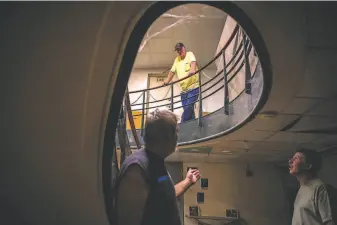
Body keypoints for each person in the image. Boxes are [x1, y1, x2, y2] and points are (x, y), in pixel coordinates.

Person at [115, 108, 201, 225]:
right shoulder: (136, 168)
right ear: (166, 136)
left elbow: (163, 197)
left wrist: (188, 181)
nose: (177, 137)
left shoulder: (156, 163)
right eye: (176, 132)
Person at [289, 149, 335, 225]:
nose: (290, 161)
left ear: (308, 166)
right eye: (292, 158)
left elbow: (328, 221)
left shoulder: (319, 187)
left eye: (296, 158)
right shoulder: (302, 187)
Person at [164, 42, 200, 122]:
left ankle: (181, 125)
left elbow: (193, 62)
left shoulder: (189, 54)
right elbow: (172, 71)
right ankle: (193, 128)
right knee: (189, 112)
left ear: (184, 48)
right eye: (177, 51)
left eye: (180, 50)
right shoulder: (177, 59)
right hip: (183, 91)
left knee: (188, 108)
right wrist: (167, 81)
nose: (179, 52)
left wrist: (192, 69)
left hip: (193, 88)